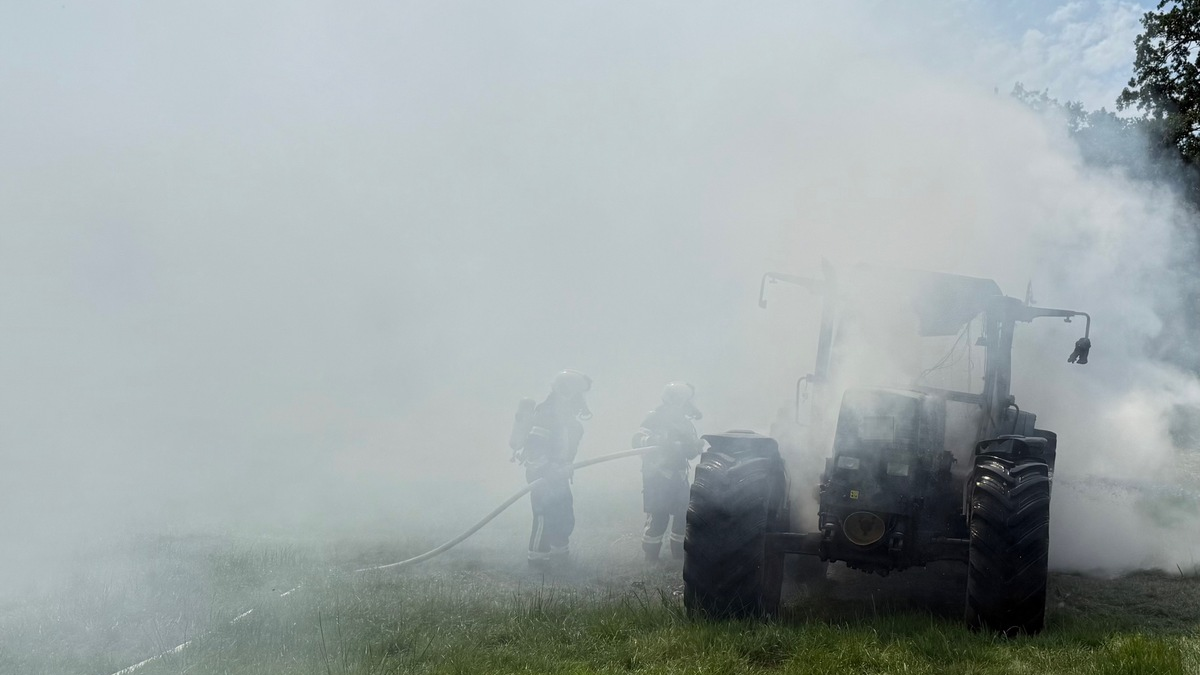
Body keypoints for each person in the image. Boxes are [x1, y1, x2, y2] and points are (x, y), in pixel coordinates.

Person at [517, 369, 592, 569]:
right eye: (578, 394)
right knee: (544, 516)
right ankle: (537, 562)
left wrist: (563, 467)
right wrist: (549, 468)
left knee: (564, 513)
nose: (581, 399)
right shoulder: (546, 414)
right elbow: (535, 449)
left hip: (559, 475)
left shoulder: (569, 420)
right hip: (541, 474)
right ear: (568, 392)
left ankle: (560, 558)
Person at [632, 382, 703, 561]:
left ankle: (679, 555)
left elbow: (691, 451)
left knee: (682, 515)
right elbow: (637, 439)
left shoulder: (685, 423)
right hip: (657, 475)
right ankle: (651, 557)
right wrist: (658, 440)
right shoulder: (654, 417)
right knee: (659, 515)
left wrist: (694, 447)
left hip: (679, 476)